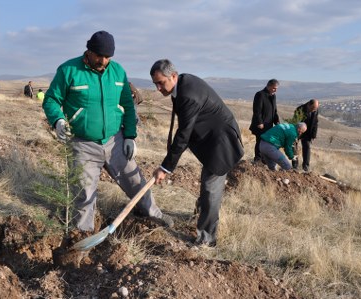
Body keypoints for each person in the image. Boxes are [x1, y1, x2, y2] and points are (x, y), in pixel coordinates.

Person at [42, 30, 173, 233]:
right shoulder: (69, 70)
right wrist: (57, 120)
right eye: (99, 56)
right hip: (82, 143)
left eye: (108, 57)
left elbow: (128, 106)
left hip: (115, 141)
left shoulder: (118, 72)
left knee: (135, 180)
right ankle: (83, 235)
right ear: (89, 51)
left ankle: (153, 214)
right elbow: (51, 99)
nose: (103, 61)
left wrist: (130, 136)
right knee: (84, 193)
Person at [150, 59, 244, 247]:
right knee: (207, 184)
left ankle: (207, 239)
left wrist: (165, 167)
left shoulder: (188, 94)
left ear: (173, 76)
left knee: (210, 189)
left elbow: (183, 134)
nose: (158, 88)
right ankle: (201, 217)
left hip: (221, 144)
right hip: (210, 141)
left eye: (161, 83)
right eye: (155, 84)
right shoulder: (182, 84)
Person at [249, 79, 280, 163]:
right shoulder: (260, 94)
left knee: (266, 143)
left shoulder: (273, 96)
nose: (275, 90)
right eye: (274, 88)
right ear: (269, 86)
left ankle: (264, 160)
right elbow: (257, 110)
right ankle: (257, 159)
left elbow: (274, 111)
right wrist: (260, 122)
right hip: (260, 125)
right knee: (260, 141)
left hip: (269, 125)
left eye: (277, 88)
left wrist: (277, 122)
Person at [292, 99, 319, 171]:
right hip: (298, 131)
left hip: (308, 133)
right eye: (313, 108)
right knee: (294, 148)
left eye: (315, 109)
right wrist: (295, 134)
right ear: (309, 105)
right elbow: (295, 122)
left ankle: (305, 166)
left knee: (307, 147)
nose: (314, 110)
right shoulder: (300, 109)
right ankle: (295, 165)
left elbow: (315, 123)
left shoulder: (315, 110)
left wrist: (313, 135)